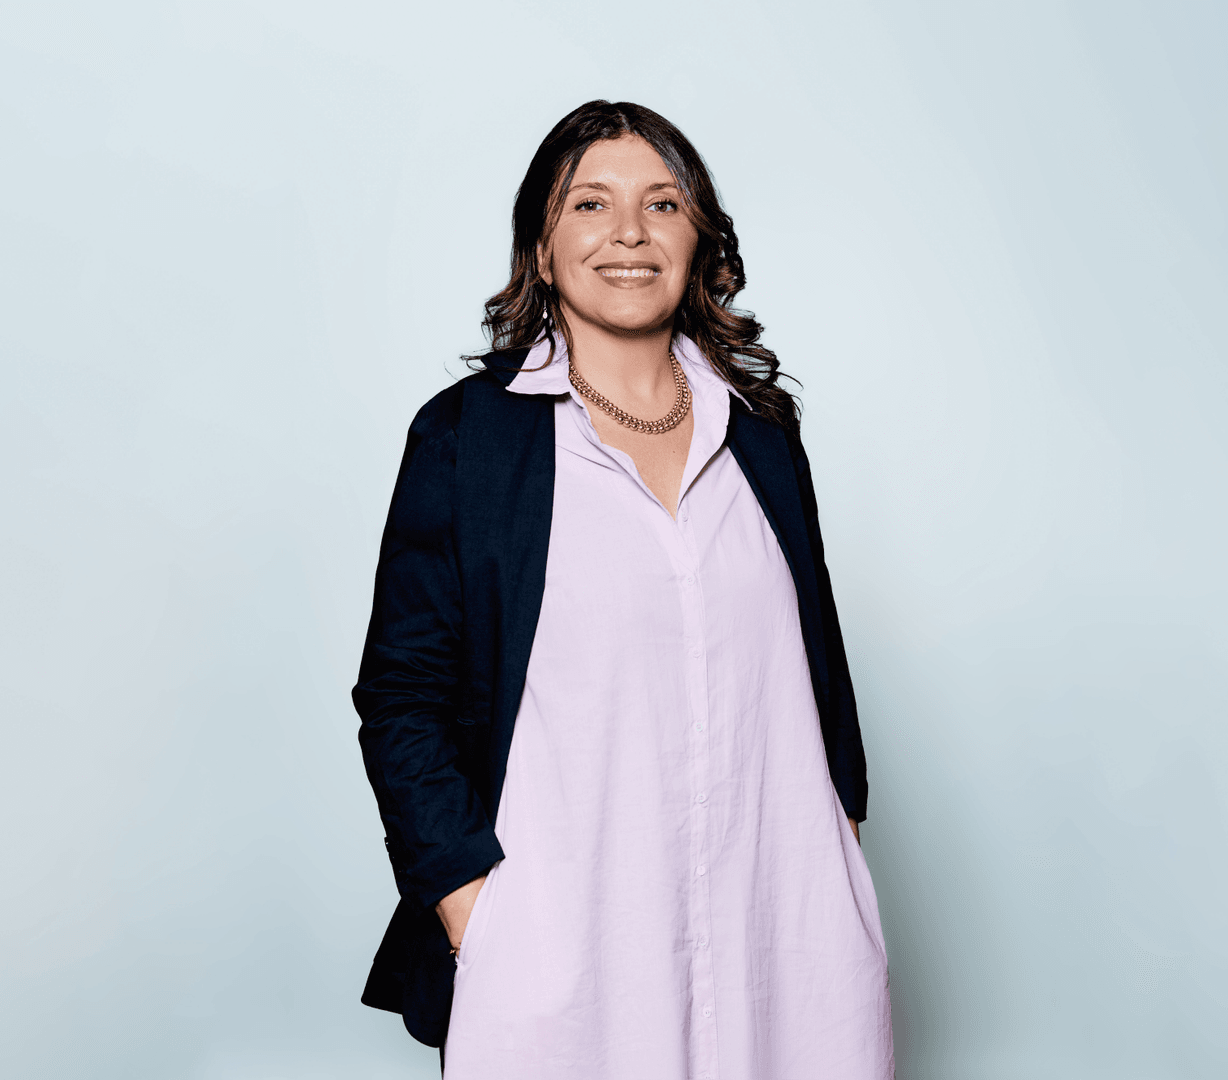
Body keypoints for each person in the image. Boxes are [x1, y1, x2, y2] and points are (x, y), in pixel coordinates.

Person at [352, 99, 892, 1079]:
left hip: (782, 948)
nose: (631, 232)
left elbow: (818, 672)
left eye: (664, 205)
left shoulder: (762, 438)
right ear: (543, 249)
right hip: (564, 961)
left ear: (700, 242)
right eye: (591, 204)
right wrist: (475, 908)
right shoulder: (468, 441)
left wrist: (840, 845)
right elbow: (402, 700)